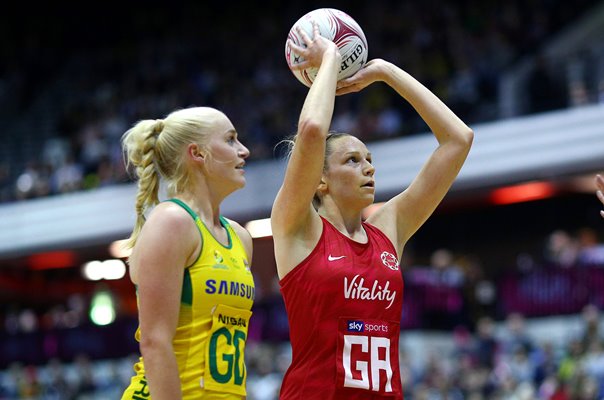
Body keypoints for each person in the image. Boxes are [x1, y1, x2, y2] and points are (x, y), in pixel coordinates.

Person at [271, 23, 473, 399]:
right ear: (320, 180)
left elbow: (458, 140)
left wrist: (384, 72)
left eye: (369, 158)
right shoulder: (297, 226)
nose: (369, 168)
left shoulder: (388, 229)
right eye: (352, 160)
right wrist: (331, 56)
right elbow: (313, 129)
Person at [119, 107, 255, 399]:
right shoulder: (172, 222)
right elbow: (155, 342)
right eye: (230, 140)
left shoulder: (240, 237)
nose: (244, 150)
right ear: (198, 153)